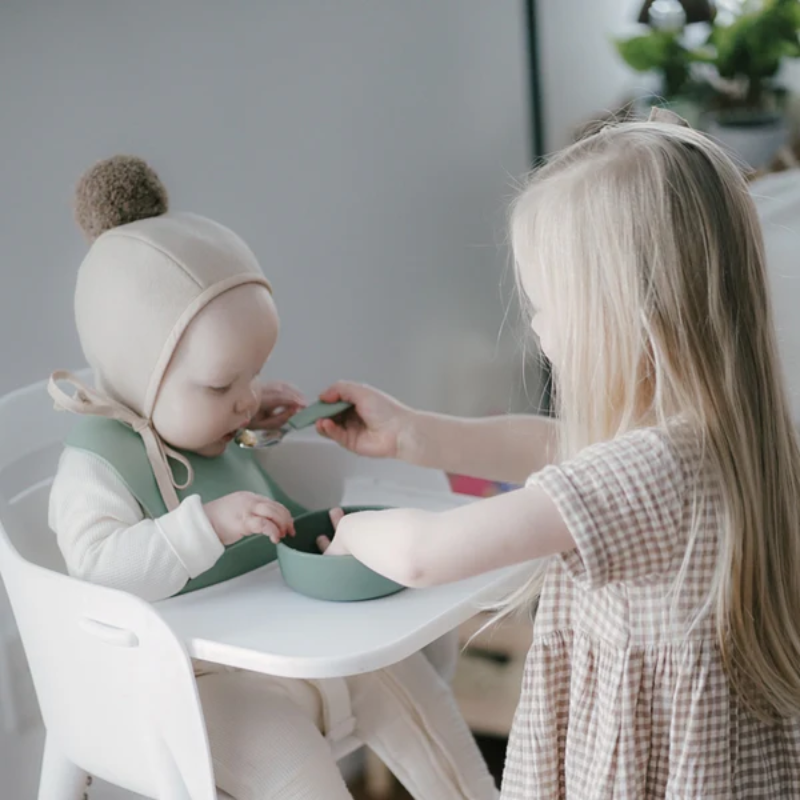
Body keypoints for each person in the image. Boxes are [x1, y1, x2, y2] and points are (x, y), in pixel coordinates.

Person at [318, 109, 800, 798]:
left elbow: (426, 553)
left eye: (548, 307)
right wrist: (420, 435)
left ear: (623, 315)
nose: (538, 329)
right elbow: (559, 451)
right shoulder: (728, 437)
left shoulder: (648, 469)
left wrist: (353, 530)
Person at [48, 155, 498, 800]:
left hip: (280, 644)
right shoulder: (94, 466)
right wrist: (203, 526)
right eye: (220, 384)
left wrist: (260, 427)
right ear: (136, 372)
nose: (243, 397)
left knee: (405, 680)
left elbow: (262, 488)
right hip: (189, 688)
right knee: (292, 765)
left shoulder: (213, 424)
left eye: (252, 374)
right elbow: (95, 571)